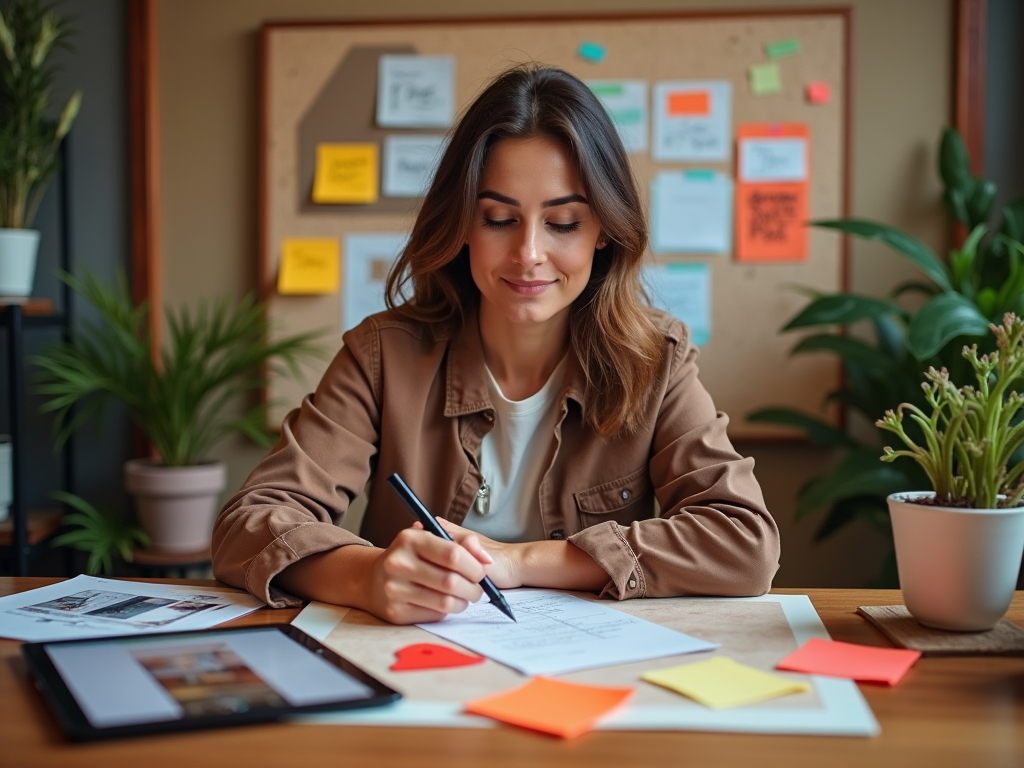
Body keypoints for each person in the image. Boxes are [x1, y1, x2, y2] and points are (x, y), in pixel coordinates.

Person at [212, 64, 780, 624]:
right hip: (412, 668)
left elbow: (744, 542)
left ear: (603, 229)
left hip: (588, 675)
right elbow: (250, 523)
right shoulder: (383, 356)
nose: (528, 253)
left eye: (562, 223)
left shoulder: (657, 359)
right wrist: (367, 575)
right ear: (462, 222)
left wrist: (522, 561)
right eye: (499, 218)